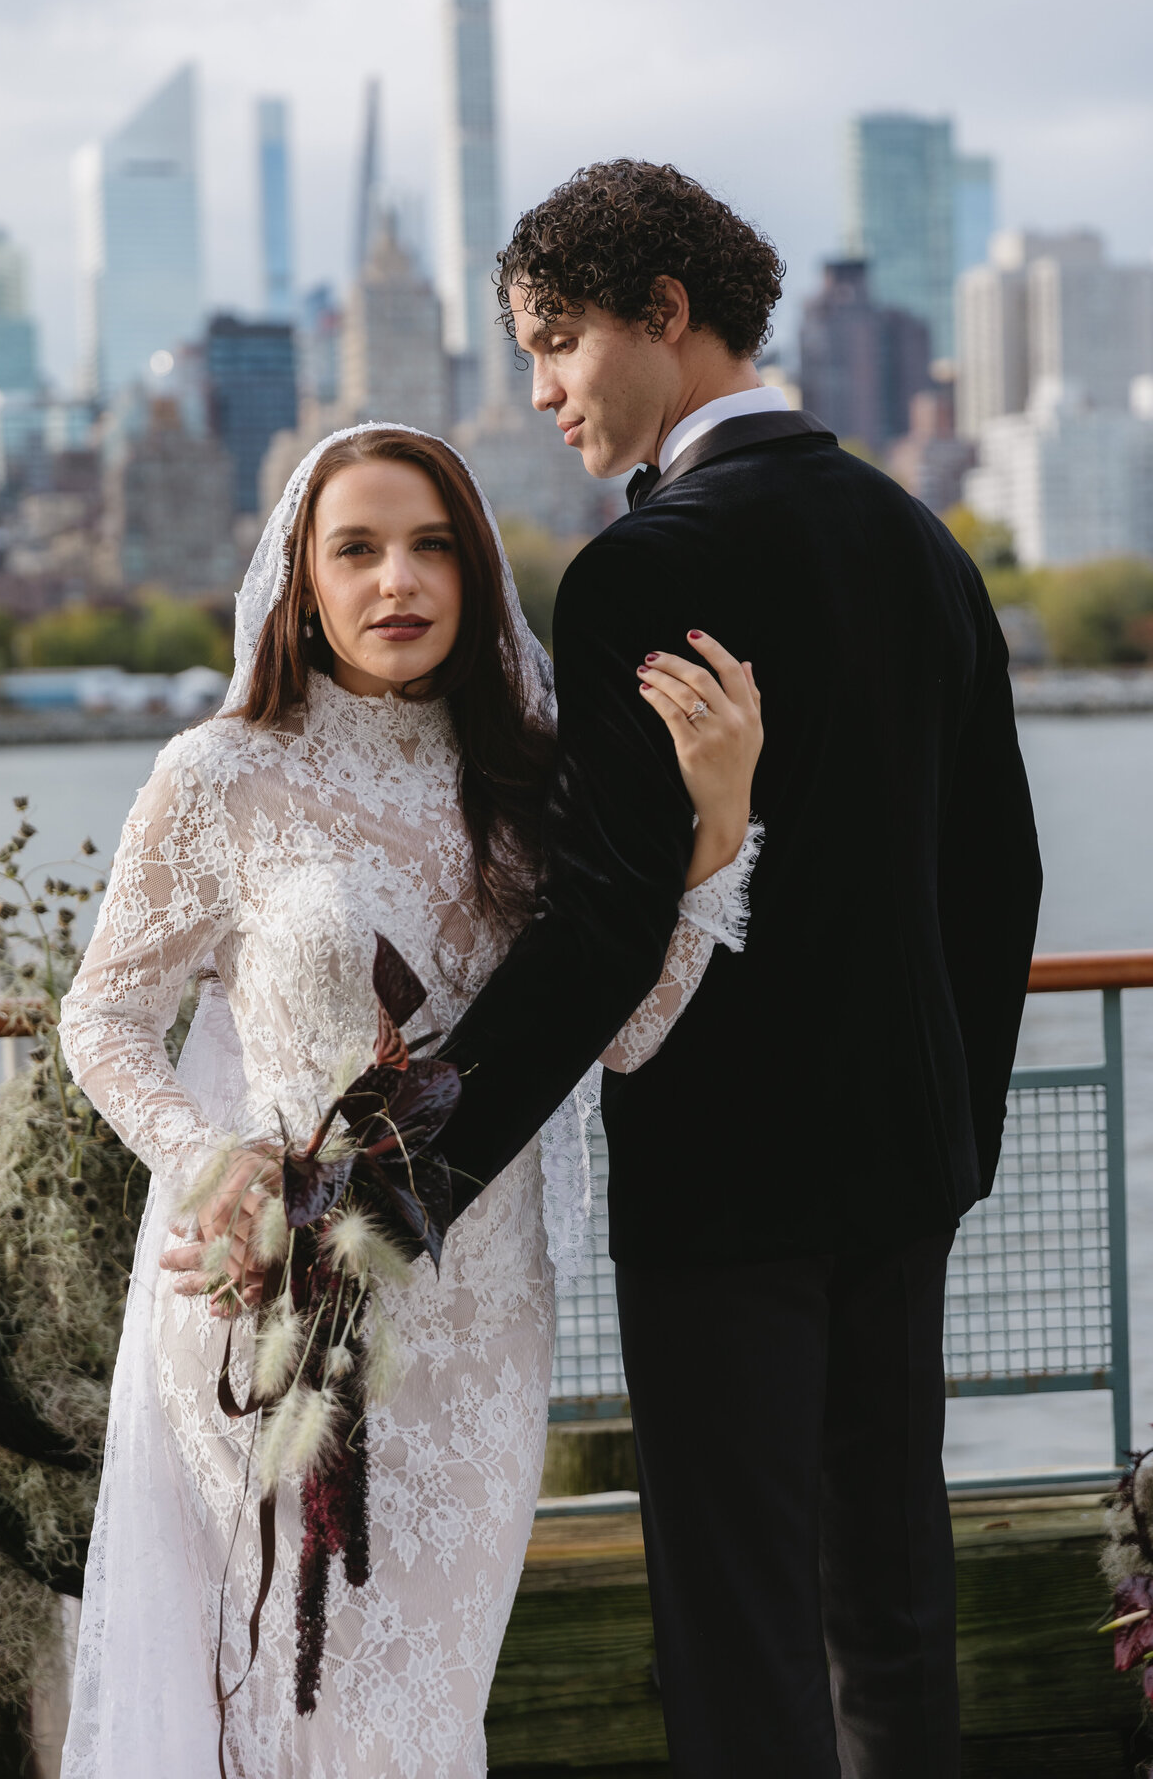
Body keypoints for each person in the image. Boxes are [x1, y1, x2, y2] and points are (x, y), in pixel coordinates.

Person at [427, 161, 1044, 1777]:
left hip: (724, 1190)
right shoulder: (926, 542)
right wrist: (951, 1139)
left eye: (556, 344)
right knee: (890, 1602)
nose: (546, 390)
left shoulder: (644, 568)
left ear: (665, 313)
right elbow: (1001, 882)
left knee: (742, 1619)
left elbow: (605, 924)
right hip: (905, 1175)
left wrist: (399, 1168)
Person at [57, 422, 763, 1779]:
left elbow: (627, 1037)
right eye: (360, 549)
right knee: (294, 1700)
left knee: (426, 1716)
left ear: (480, 570)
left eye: (434, 545)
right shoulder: (223, 775)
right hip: (276, 1309)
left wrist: (717, 827)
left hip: (483, 1319)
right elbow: (102, 1017)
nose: (400, 580)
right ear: (302, 582)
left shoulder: (541, 776)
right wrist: (223, 1168)